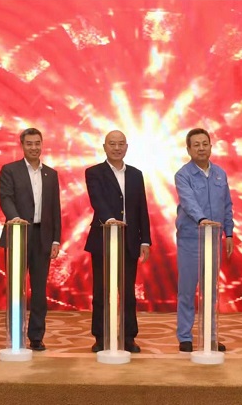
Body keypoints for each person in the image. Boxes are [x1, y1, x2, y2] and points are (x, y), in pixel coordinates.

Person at [84, 130, 152, 353]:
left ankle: (128, 337)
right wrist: (111, 220)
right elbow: (97, 200)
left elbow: (141, 207)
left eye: (121, 144)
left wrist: (145, 240)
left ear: (127, 147)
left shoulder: (135, 174)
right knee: (102, 291)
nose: (116, 148)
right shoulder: (94, 172)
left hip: (129, 240)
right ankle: (101, 336)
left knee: (128, 293)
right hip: (103, 238)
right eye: (112, 144)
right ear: (104, 147)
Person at [0, 127, 61, 351]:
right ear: (22, 146)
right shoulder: (10, 170)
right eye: (29, 144)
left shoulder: (51, 174)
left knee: (39, 290)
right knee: (16, 288)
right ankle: (15, 335)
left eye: (37, 143)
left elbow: (55, 209)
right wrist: (15, 219)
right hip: (18, 234)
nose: (34, 147)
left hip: (42, 237)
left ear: (42, 145)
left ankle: (36, 336)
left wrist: (56, 240)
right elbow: (5, 198)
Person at [173, 128, 233, 353]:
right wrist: (202, 220)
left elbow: (227, 205)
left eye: (204, 144)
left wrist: (229, 233)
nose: (201, 148)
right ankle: (185, 336)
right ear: (188, 149)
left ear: (210, 146)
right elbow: (188, 201)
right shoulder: (183, 175)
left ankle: (210, 336)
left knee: (211, 291)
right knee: (187, 290)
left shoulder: (220, 174)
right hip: (191, 238)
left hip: (214, 240)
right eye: (196, 145)